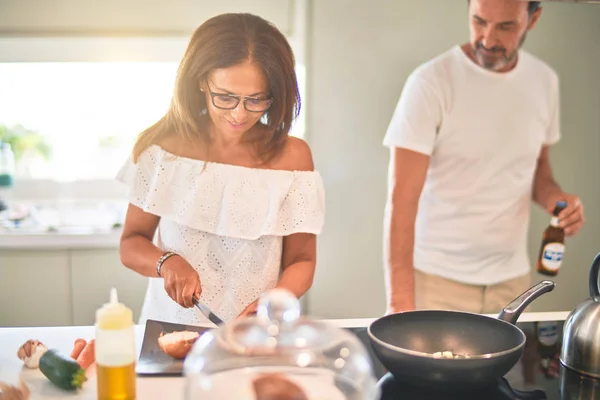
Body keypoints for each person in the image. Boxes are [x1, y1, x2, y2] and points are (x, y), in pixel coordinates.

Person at [116, 13, 325, 326]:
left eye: (256, 100)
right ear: (201, 81)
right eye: (225, 97)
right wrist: (166, 261)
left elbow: (302, 260)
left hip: (257, 334)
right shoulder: (162, 151)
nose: (239, 114)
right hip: (170, 330)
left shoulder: (292, 158)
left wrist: (276, 300)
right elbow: (131, 243)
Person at [382, 0, 585, 314]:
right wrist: (399, 303)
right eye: (479, 21)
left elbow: (538, 170)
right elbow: (402, 200)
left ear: (533, 18)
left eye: (506, 26)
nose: (489, 40)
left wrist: (557, 200)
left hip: (513, 284)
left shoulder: (544, 82)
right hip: (437, 282)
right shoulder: (430, 83)